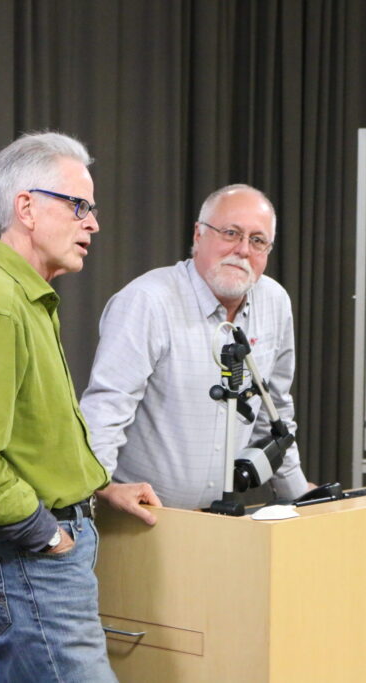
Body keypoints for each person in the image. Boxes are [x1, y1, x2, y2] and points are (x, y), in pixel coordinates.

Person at [0, 131, 160, 683]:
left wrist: (98, 485)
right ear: (26, 208)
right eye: (79, 206)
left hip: (41, 554)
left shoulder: (22, 298)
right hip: (33, 559)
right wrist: (46, 534)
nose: (94, 224)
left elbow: (32, 436)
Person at [80, 184, 311, 509]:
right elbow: (107, 410)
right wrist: (96, 493)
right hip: (143, 522)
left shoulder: (275, 302)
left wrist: (299, 497)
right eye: (231, 233)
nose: (243, 250)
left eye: (257, 240)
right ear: (199, 235)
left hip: (219, 523)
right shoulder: (147, 301)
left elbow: (274, 410)